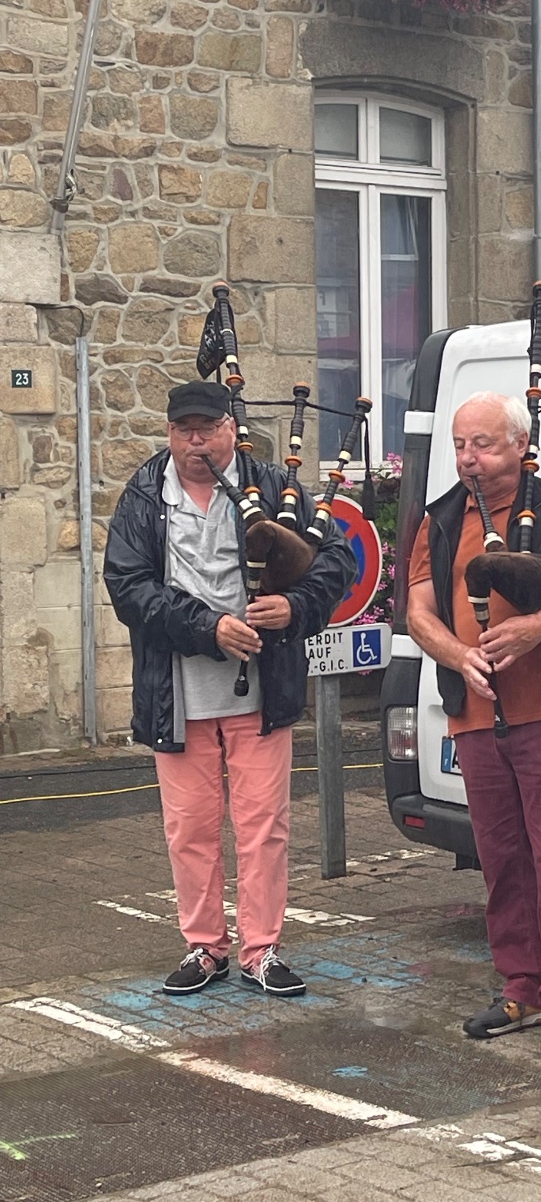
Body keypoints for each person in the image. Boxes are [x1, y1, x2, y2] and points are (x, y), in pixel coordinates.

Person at [104, 380, 356, 998]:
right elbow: (127, 585)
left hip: (261, 694)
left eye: (208, 428)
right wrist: (208, 628)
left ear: (230, 430)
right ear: (169, 433)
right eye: (185, 429)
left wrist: (294, 607)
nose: (197, 441)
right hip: (179, 693)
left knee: (263, 825)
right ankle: (204, 947)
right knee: (189, 828)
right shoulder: (143, 495)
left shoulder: (274, 487)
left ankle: (262, 950)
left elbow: (338, 561)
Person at [407, 391, 541, 1051]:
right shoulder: (440, 520)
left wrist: (532, 630)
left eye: (484, 445)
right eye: (461, 445)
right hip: (477, 715)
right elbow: (417, 611)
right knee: (502, 858)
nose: (469, 458)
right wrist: (460, 655)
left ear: (520, 446)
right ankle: (520, 987)